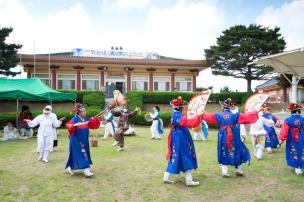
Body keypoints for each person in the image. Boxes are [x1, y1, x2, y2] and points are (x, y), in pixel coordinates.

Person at [202, 98, 259, 177]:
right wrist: (256, 112)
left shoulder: (219, 115)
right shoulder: (235, 115)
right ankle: (238, 170)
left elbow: (209, 117)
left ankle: (224, 171)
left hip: (223, 134)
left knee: (223, 150)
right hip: (233, 134)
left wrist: (202, 113)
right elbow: (246, 117)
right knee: (237, 149)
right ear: (230, 107)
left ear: (223, 107)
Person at [163, 96, 202, 186]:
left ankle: (166, 177)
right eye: (183, 107)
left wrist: (197, 116)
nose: (185, 108)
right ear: (181, 108)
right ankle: (189, 180)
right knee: (184, 156)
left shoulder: (176, 115)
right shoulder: (179, 116)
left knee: (175, 156)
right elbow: (190, 123)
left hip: (176, 136)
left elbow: (187, 122)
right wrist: (199, 116)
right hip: (180, 138)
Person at [65, 104, 101, 177]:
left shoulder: (86, 119)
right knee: (83, 153)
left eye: (85, 111)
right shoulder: (74, 120)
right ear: (79, 113)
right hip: (76, 141)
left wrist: (96, 119)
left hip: (84, 140)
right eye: (83, 111)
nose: (85, 112)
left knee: (77, 154)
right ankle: (86, 170)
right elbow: (68, 125)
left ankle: (70, 167)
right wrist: (70, 126)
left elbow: (92, 124)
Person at [279, 103, 304, 175]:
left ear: (291, 111)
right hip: (302, 138)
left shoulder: (287, 120)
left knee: (294, 151)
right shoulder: (303, 119)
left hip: (292, 139)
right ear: (299, 111)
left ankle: (297, 167)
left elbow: (284, 131)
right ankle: (300, 166)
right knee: (301, 151)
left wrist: (281, 140)